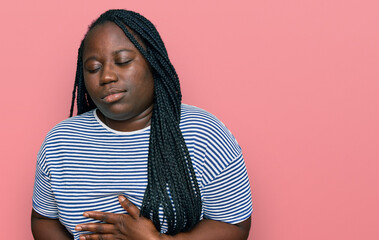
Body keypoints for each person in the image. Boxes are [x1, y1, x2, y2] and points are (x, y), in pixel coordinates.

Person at [31, 9, 252, 240]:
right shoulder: (59, 142)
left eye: (123, 61)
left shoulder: (205, 135)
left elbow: (235, 226)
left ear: (153, 63)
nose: (106, 76)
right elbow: (43, 219)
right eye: (93, 68)